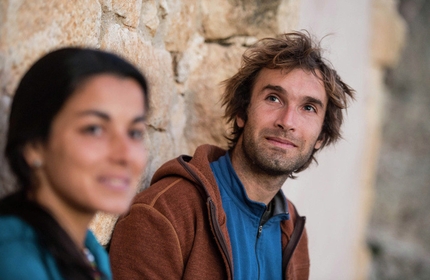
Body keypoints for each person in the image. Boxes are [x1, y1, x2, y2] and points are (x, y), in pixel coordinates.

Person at [109, 31, 355, 279]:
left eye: (308, 108)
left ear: (321, 137)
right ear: (242, 113)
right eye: (273, 98)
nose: (287, 121)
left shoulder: (291, 232)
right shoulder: (165, 212)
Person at [0, 47, 149, 279]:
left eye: (135, 133)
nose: (125, 154)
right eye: (94, 129)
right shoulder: (13, 260)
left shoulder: (86, 247)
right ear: (34, 145)